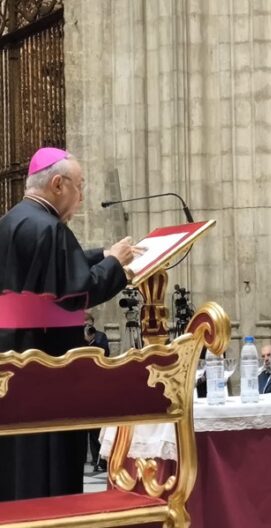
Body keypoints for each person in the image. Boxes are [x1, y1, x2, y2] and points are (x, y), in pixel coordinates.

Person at [0, 147, 139, 501]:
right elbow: (79, 291)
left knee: (16, 454)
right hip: (48, 359)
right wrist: (117, 266)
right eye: (79, 186)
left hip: (13, 352)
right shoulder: (49, 228)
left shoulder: (13, 220)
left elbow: (59, 268)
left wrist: (102, 255)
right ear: (57, 184)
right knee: (49, 455)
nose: (81, 196)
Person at [84, 312, 110, 472]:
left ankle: (97, 460)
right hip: (81, 386)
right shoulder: (77, 338)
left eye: (89, 323)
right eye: (84, 323)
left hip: (97, 384)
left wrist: (91, 341)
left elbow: (104, 353)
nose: (87, 326)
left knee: (96, 428)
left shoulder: (100, 336)